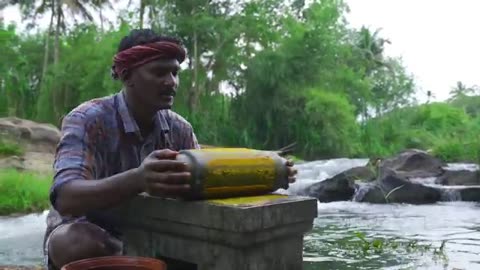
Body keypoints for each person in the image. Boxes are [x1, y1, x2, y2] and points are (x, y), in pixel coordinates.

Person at [43, 28, 297, 270]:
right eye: (159, 72)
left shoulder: (179, 128)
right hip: (90, 234)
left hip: (153, 233)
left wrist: (271, 172)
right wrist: (138, 179)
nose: (171, 82)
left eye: (175, 73)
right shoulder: (88, 119)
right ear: (127, 75)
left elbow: (207, 185)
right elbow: (66, 197)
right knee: (77, 241)